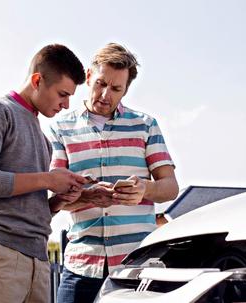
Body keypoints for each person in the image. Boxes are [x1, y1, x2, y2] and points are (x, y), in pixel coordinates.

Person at [48, 43, 179, 303]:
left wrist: (145, 188)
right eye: (100, 84)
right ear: (87, 77)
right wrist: (87, 197)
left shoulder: (145, 125)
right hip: (81, 264)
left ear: (126, 90)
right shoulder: (60, 128)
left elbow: (170, 187)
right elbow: (56, 194)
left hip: (137, 265)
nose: (106, 94)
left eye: (116, 88)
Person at [0, 44, 89, 303]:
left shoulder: (43, 139)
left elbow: (27, 203)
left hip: (38, 260)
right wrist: (49, 179)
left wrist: (57, 202)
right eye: (62, 94)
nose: (66, 105)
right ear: (37, 80)